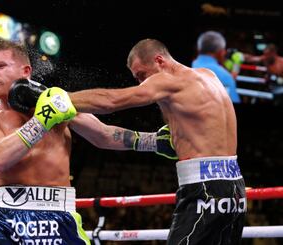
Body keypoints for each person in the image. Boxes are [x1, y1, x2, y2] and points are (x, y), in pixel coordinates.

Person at [0, 39, 177, 244]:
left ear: (26, 71)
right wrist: (43, 120)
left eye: (0, 66)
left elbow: (102, 135)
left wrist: (153, 141)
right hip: (6, 220)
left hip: (59, 217)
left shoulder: (55, 103)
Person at [67, 38, 247, 245]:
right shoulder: (209, 76)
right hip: (235, 191)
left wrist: (59, 98)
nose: (141, 83)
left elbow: (111, 101)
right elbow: (105, 136)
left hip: (204, 189)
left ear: (159, 61)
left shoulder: (167, 80)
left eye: (142, 75)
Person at [192, 30, 241, 103]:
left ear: (199, 49)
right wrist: (237, 63)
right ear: (222, 52)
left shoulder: (189, 65)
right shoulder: (225, 76)